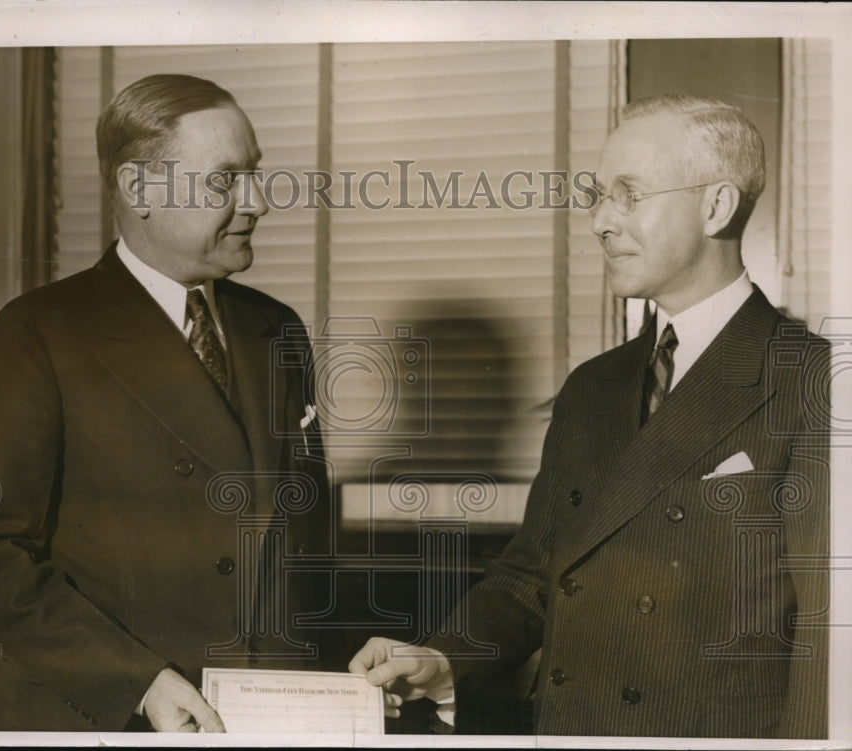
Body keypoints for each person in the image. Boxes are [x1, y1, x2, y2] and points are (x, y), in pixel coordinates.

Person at [350, 94, 830, 738]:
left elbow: (829, 639)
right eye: (598, 196)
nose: (601, 221)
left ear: (716, 206)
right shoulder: (593, 387)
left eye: (630, 194)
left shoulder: (814, 381)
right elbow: (533, 575)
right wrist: (441, 659)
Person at [0, 74, 331, 732]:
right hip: (129, 718)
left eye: (256, 174)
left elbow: (305, 547)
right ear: (138, 188)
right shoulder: (38, 332)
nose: (257, 201)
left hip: (279, 715)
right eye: (225, 180)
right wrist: (137, 683)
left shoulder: (278, 329)